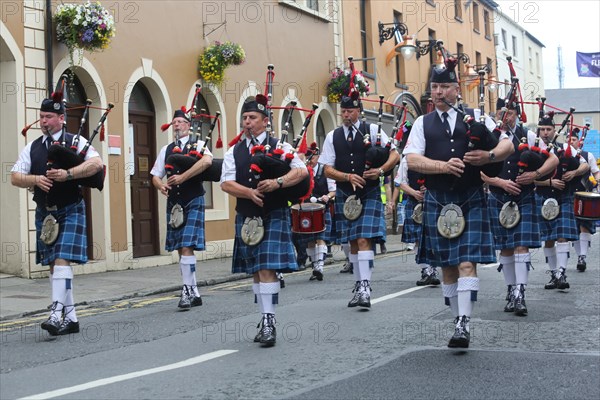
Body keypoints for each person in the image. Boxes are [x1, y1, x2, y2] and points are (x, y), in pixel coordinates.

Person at [403, 59, 513, 348]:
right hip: (438, 200)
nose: (438, 92)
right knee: (447, 267)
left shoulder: (475, 116)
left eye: (444, 87)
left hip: (471, 197)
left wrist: (489, 158)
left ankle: (464, 322)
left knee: (466, 263)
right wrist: (441, 167)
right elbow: (412, 159)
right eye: (434, 87)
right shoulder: (421, 123)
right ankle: (457, 320)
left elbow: (507, 145)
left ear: (456, 88)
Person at [11, 95, 104, 336]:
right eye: (41, 117)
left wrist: (68, 174)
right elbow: (15, 177)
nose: (44, 121)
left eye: (49, 117)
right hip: (45, 212)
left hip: (70, 208)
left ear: (61, 119)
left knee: (62, 259)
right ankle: (71, 318)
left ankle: (55, 313)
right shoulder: (32, 147)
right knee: (55, 266)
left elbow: (96, 165)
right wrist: (34, 179)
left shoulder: (76, 141)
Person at [220, 96, 308, 346]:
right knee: (257, 272)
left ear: (265, 121)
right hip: (248, 217)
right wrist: (248, 192)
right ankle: (264, 316)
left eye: (252, 118)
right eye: (244, 118)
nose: (247, 123)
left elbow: (301, 171)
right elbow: (226, 183)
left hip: (274, 213)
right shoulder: (233, 151)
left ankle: (269, 321)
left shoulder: (280, 145)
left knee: (267, 268)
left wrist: (277, 182)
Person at [320, 95, 400, 308]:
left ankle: (365, 287)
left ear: (358, 111)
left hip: (370, 192)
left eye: (350, 111)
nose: (346, 115)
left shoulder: (373, 130)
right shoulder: (332, 136)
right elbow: (326, 168)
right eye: (343, 111)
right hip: (346, 195)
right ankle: (358, 283)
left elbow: (395, 154)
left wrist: (380, 170)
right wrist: (346, 177)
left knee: (364, 239)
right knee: (352, 242)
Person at [482, 99, 558, 316]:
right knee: (505, 247)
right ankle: (510, 289)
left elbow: (552, 160)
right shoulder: (490, 135)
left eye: (510, 113)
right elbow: (476, 170)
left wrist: (534, 175)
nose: (506, 117)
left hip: (524, 197)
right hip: (497, 196)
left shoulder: (529, 135)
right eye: (501, 113)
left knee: (521, 246)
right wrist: (499, 182)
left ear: (517, 114)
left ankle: (520, 293)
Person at [151, 109, 213, 310]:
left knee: (186, 245)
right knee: (181, 248)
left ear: (188, 125)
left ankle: (187, 291)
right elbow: (155, 175)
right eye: (174, 122)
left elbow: (207, 162)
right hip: (175, 203)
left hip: (193, 198)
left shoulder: (200, 145)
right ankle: (193, 291)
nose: (176, 125)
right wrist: (160, 186)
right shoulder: (166, 149)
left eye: (180, 122)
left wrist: (183, 177)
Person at [534, 115, 589, 290]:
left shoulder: (565, 148)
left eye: (548, 129)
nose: (545, 133)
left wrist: (574, 173)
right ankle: (553, 274)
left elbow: (585, 165)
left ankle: (562, 272)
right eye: (542, 129)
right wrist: (548, 182)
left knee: (562, 235)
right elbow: (527, 178)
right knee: (549, 239)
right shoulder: (533, 149)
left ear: (554, 131)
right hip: (543, 197)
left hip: (564, 196)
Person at [391, 156, 440, 286]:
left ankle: (433, 268)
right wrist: (414, 192)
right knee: (418, 237)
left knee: (433, 237)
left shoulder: (433, 154)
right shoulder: (407, 160)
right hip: (414, 203)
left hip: (434, 201)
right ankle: (426, 270)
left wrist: (430, 187)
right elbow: (399, 182)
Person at [294, 143, 337, 281]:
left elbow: (333, 190)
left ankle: (319, 267)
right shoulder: (302, 171)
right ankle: (315, 266)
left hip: (321, 209)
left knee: (321, 238)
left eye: (311, 156)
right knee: (309, 241)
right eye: (307, 157)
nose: (309, 159)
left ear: (317, 156)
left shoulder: (326, 170)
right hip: (306, 210)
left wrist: (328, 196)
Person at [568, 128, 600, 272]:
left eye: (574, 140)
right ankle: (579, 255)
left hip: (585, 194)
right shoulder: (564, 155)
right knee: (574, 228)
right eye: (569, 140)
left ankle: (583, 256)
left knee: (584, 226)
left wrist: (596, 183)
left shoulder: (588, 155)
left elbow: (596, 173)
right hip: (569, 195)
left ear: (578, 141)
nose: (571, 142)